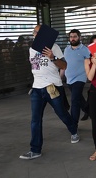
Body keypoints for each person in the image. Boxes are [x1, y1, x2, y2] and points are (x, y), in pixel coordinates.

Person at [19, 25, 79, 160]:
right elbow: (35, 67)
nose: (36, 34)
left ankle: (73, 130)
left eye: (38, 32)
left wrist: (52, 57)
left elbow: (64, 66)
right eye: (34, 32)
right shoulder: (31, 49)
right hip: (37, 88)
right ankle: (35, 149)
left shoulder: (54, 47)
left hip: (53, 87)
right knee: (35, 120)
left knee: (62, 113)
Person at [63, 29, 90, 125]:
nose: (72, 39)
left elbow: (90, 63)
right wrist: (60, 76)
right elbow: (64, 64)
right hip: (69, 80)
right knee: (79, 98)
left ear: (79, 37)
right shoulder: (66, 50)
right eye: (71, 37)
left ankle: (73, 124)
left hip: (80, 78)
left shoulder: (85, 50)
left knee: (74, 100)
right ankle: (90, 111)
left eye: (75, 36)